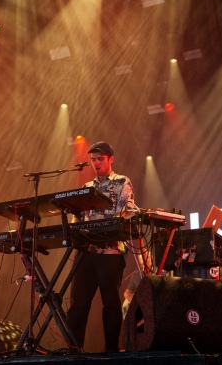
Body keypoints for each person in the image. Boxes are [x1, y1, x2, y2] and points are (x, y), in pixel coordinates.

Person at [67, 141, 137, 353]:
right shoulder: (87, 188)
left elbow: (129, 210)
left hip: (111, 250)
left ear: (110, 159)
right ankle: (74, 350)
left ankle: (111, 350)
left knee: (110, 303)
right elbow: (76, 217)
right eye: (93, 160)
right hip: (87, 250)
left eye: (100, 159)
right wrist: (73, 232)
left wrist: (112, 224)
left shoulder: (122, 182)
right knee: (78, 304)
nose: (96, 163)